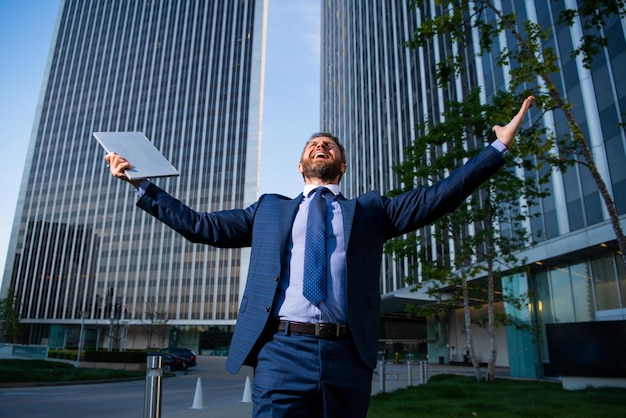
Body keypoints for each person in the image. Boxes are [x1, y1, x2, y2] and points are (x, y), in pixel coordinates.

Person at [107, 96, 535, 417]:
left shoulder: (371, 211)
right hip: (280, 351)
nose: (321, 146)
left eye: (329, 144)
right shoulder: (269, 210)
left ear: (342, 166)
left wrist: (495, 149)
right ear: (300, 165)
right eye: (314, 144)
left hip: (347, 352)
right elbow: (202, 226)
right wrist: (141, 185)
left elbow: (439, 196)